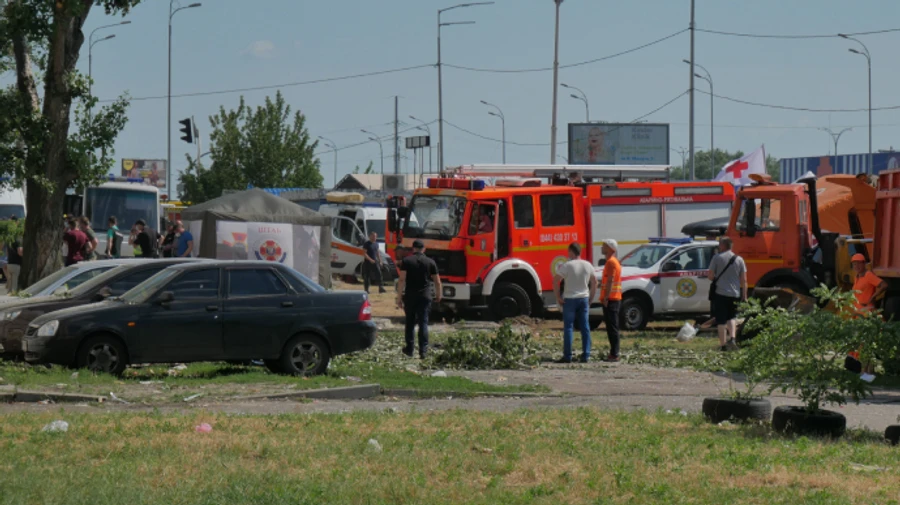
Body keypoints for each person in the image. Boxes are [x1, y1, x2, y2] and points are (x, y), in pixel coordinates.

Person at [396, 240, 441, 359]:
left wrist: (399, 297)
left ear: (413, 249)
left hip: (410, 295)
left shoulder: (406, 261)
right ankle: (423, 351)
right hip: (425, 296)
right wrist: (438, 295)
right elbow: (437, 281)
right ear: (424, 249)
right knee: (423, 322)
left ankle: (409, 349)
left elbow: (402, 280)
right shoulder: (430, 262)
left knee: (410, 322)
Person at [553, 242, 597, 363]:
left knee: (568, 327)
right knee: (585, 327)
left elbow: (556, 279)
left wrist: (558, 297)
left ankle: (567, 356)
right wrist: (591, 298)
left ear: (572, 251)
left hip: (570, 299)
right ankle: (586, 355)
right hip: (583, 298)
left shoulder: (567, 266)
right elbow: (594, 282)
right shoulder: (588, 265)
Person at [849, 253, 888, 381]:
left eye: (859, 263)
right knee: (862, 344)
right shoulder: (857, 277)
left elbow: (883, 285)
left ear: (864, 264)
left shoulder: (868, 275)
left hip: (867, 314)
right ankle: (865, 372)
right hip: (859, 314)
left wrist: (872, 298)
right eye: (854, 264)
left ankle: (868, 372)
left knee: (866, 343)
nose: (856, 266)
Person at [707, 237, 747, 351]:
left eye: (720, 244)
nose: (719, 246)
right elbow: (744, 279)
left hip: (721, 293)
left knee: (721, 320)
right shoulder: (739, 259)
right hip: (735, 294)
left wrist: (715, 279)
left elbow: (710, 276)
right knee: (732, 317)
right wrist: (744, 295)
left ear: (723, 245)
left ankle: (723, 345)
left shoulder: (716, 258)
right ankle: (733, 339)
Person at [599, 239, 623, 362]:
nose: (602, 247)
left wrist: (606, 297)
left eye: (604, 246)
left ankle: (615, 353)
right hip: (612, 298)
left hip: (612, 299)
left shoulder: (611, 263)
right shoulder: (611, 262)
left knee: (612, 327)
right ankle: (613, 352)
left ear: (610, 249)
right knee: (611, 326)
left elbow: (611, 280)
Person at [6, 228, 22, 294]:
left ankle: (8, 295)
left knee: (10, 282)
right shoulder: (18, 241)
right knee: (14, 284)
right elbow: (20, 252)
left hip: (9, 264)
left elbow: (7, 253)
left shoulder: (9, 241)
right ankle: (13, 295)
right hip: (16, 264)